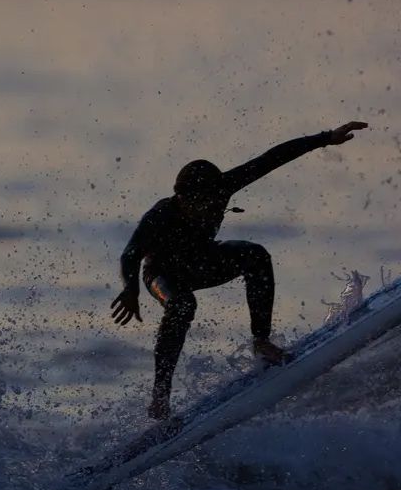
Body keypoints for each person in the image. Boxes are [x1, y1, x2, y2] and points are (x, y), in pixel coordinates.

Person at [110, 121, 368, 419]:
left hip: (202, 262)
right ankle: (160, 397)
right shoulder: (161, 215)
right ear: (181, 198)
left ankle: (261, 341)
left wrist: (326, 138)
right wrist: (130, 289)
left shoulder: (222, 188)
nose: (205, 208)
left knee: (255, 255)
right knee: (182, 305)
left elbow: (271, 159)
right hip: (162, 275)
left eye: (209, 202)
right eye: (195, 203)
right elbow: (130, 253)